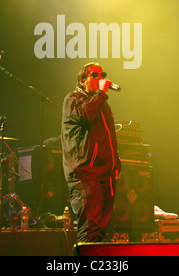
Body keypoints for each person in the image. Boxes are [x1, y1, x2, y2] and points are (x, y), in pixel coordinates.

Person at [61, 62, 121, 242]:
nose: (99, 78)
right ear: (81, 81)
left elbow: (109, 138)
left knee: (103, 234)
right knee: (90, 232)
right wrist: (101, 93)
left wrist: (116, 165)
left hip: (105, 176)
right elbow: (85, 116)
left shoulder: (102, 104)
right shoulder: (73, 99)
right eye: (94, 75)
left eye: (101, 74)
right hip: (86, 175)